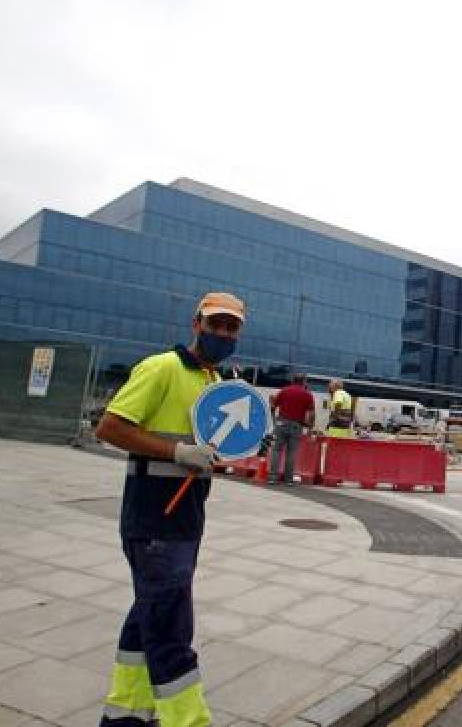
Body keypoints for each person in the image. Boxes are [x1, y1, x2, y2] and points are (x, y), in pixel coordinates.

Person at [93, 291, 245, 727]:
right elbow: (110, 427)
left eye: (231, 327)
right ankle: (188, 721)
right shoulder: (162, 367)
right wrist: (179, 452)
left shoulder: (217, 385)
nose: (223, 333)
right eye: (215, 324)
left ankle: (125, 715)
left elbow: (207, 449)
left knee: (149, 615)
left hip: (186, 517)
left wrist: (236, 446)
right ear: (196, 324)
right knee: (172, 630)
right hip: (153, 517)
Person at [269, 372, 314, 484]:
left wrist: (273, 419)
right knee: (292, 452)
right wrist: (310, 428)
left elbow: (273, 405)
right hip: (297, 425)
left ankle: (273, 478)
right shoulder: (307, 394)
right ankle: (288, 479)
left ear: (293, 380)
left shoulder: (284, 390)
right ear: (303, 381)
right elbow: (312, 413)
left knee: (276, 450)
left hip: (281, 423)